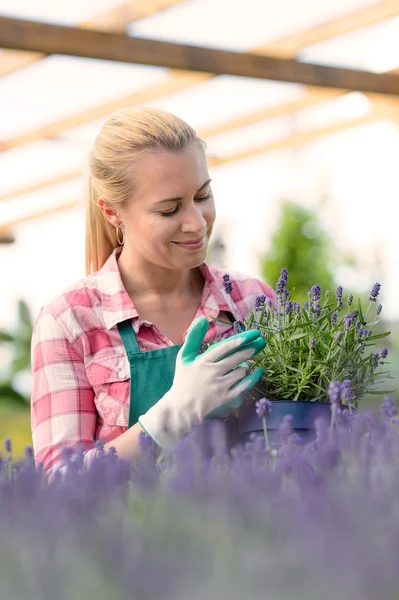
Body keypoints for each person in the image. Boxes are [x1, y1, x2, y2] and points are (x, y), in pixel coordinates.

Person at [30, 107, 276, 478]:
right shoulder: (70, 322)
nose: (196, 222)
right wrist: (171, 417)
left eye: (203, 195)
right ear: (112, 211)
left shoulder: (251, 300)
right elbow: (58, 488)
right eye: (169, 209)